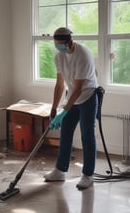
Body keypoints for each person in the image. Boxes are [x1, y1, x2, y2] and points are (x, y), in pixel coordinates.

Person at [44, 27, 98, 190]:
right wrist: (54, 109)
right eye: (56, 44)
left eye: (60, 44)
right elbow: (60, 84)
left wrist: (65, 111)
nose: (58, 47)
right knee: (65, 133)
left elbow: (79, 87)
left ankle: (88, 175)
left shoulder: (83, 54)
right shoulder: (59, 56)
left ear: (69, 42)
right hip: (72, 97)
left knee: (87, 135)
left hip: (88, 95)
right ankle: (60, 171)